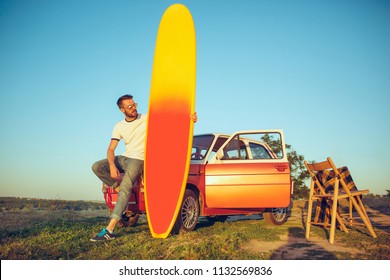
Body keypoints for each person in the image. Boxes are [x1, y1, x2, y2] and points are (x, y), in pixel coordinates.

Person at [90, 94, 197, 241]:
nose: (134, 108)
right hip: (124, 158)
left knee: (126, 186)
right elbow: (110, 150)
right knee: (96, 166)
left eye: (134, 105)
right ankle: (116, 187)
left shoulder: (147, 118)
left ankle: (110, 229)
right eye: (130, 107)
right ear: (122, 110)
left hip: (139, 159)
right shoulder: (119, 126)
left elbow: (170, 121)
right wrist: (112, 165)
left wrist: (189, 118)